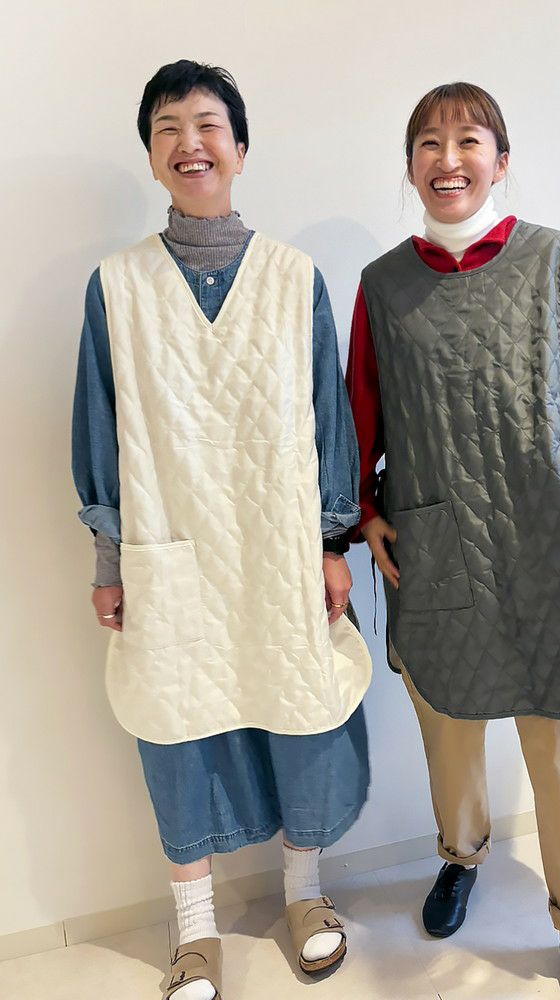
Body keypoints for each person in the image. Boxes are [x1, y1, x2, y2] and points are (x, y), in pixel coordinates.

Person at [71, 60, 371, 999]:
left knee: (301, 703)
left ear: (240, 149)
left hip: (279, 539)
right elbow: (99, 427)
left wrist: (330, 542)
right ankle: (194, 927)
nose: (189, 143)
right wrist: (110, 557)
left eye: (207, 125)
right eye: (168, 128)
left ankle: (305, 894)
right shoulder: (115, 286)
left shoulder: (293, 279)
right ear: (151, 157)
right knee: (173, 718)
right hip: (168, 543)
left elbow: (328, 419)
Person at [346, 82, 560, 1000]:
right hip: (436, 542)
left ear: (500, 161)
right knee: (450, 724)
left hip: (546, 544)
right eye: (428, 144)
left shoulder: (553, 260)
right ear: (410, 169)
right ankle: (461, 855)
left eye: (468, 140)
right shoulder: (384, 287)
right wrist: (363, 510)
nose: (449, 159)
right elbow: (359, 408)